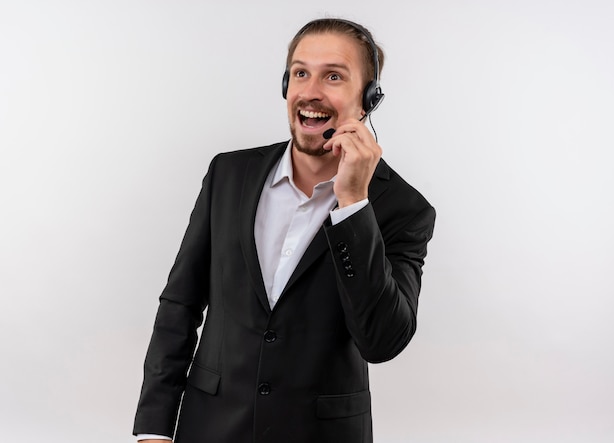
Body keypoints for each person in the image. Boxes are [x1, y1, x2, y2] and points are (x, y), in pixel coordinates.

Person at [133, 17, 435, 443]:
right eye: (300, 72)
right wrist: (154, 429)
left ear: (368, 100)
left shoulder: (404, 208)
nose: (310, 92)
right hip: (211, 427)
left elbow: (383, 341)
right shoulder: (228, 175)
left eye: (333, 76)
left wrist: (353, 204)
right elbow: (179, 304)